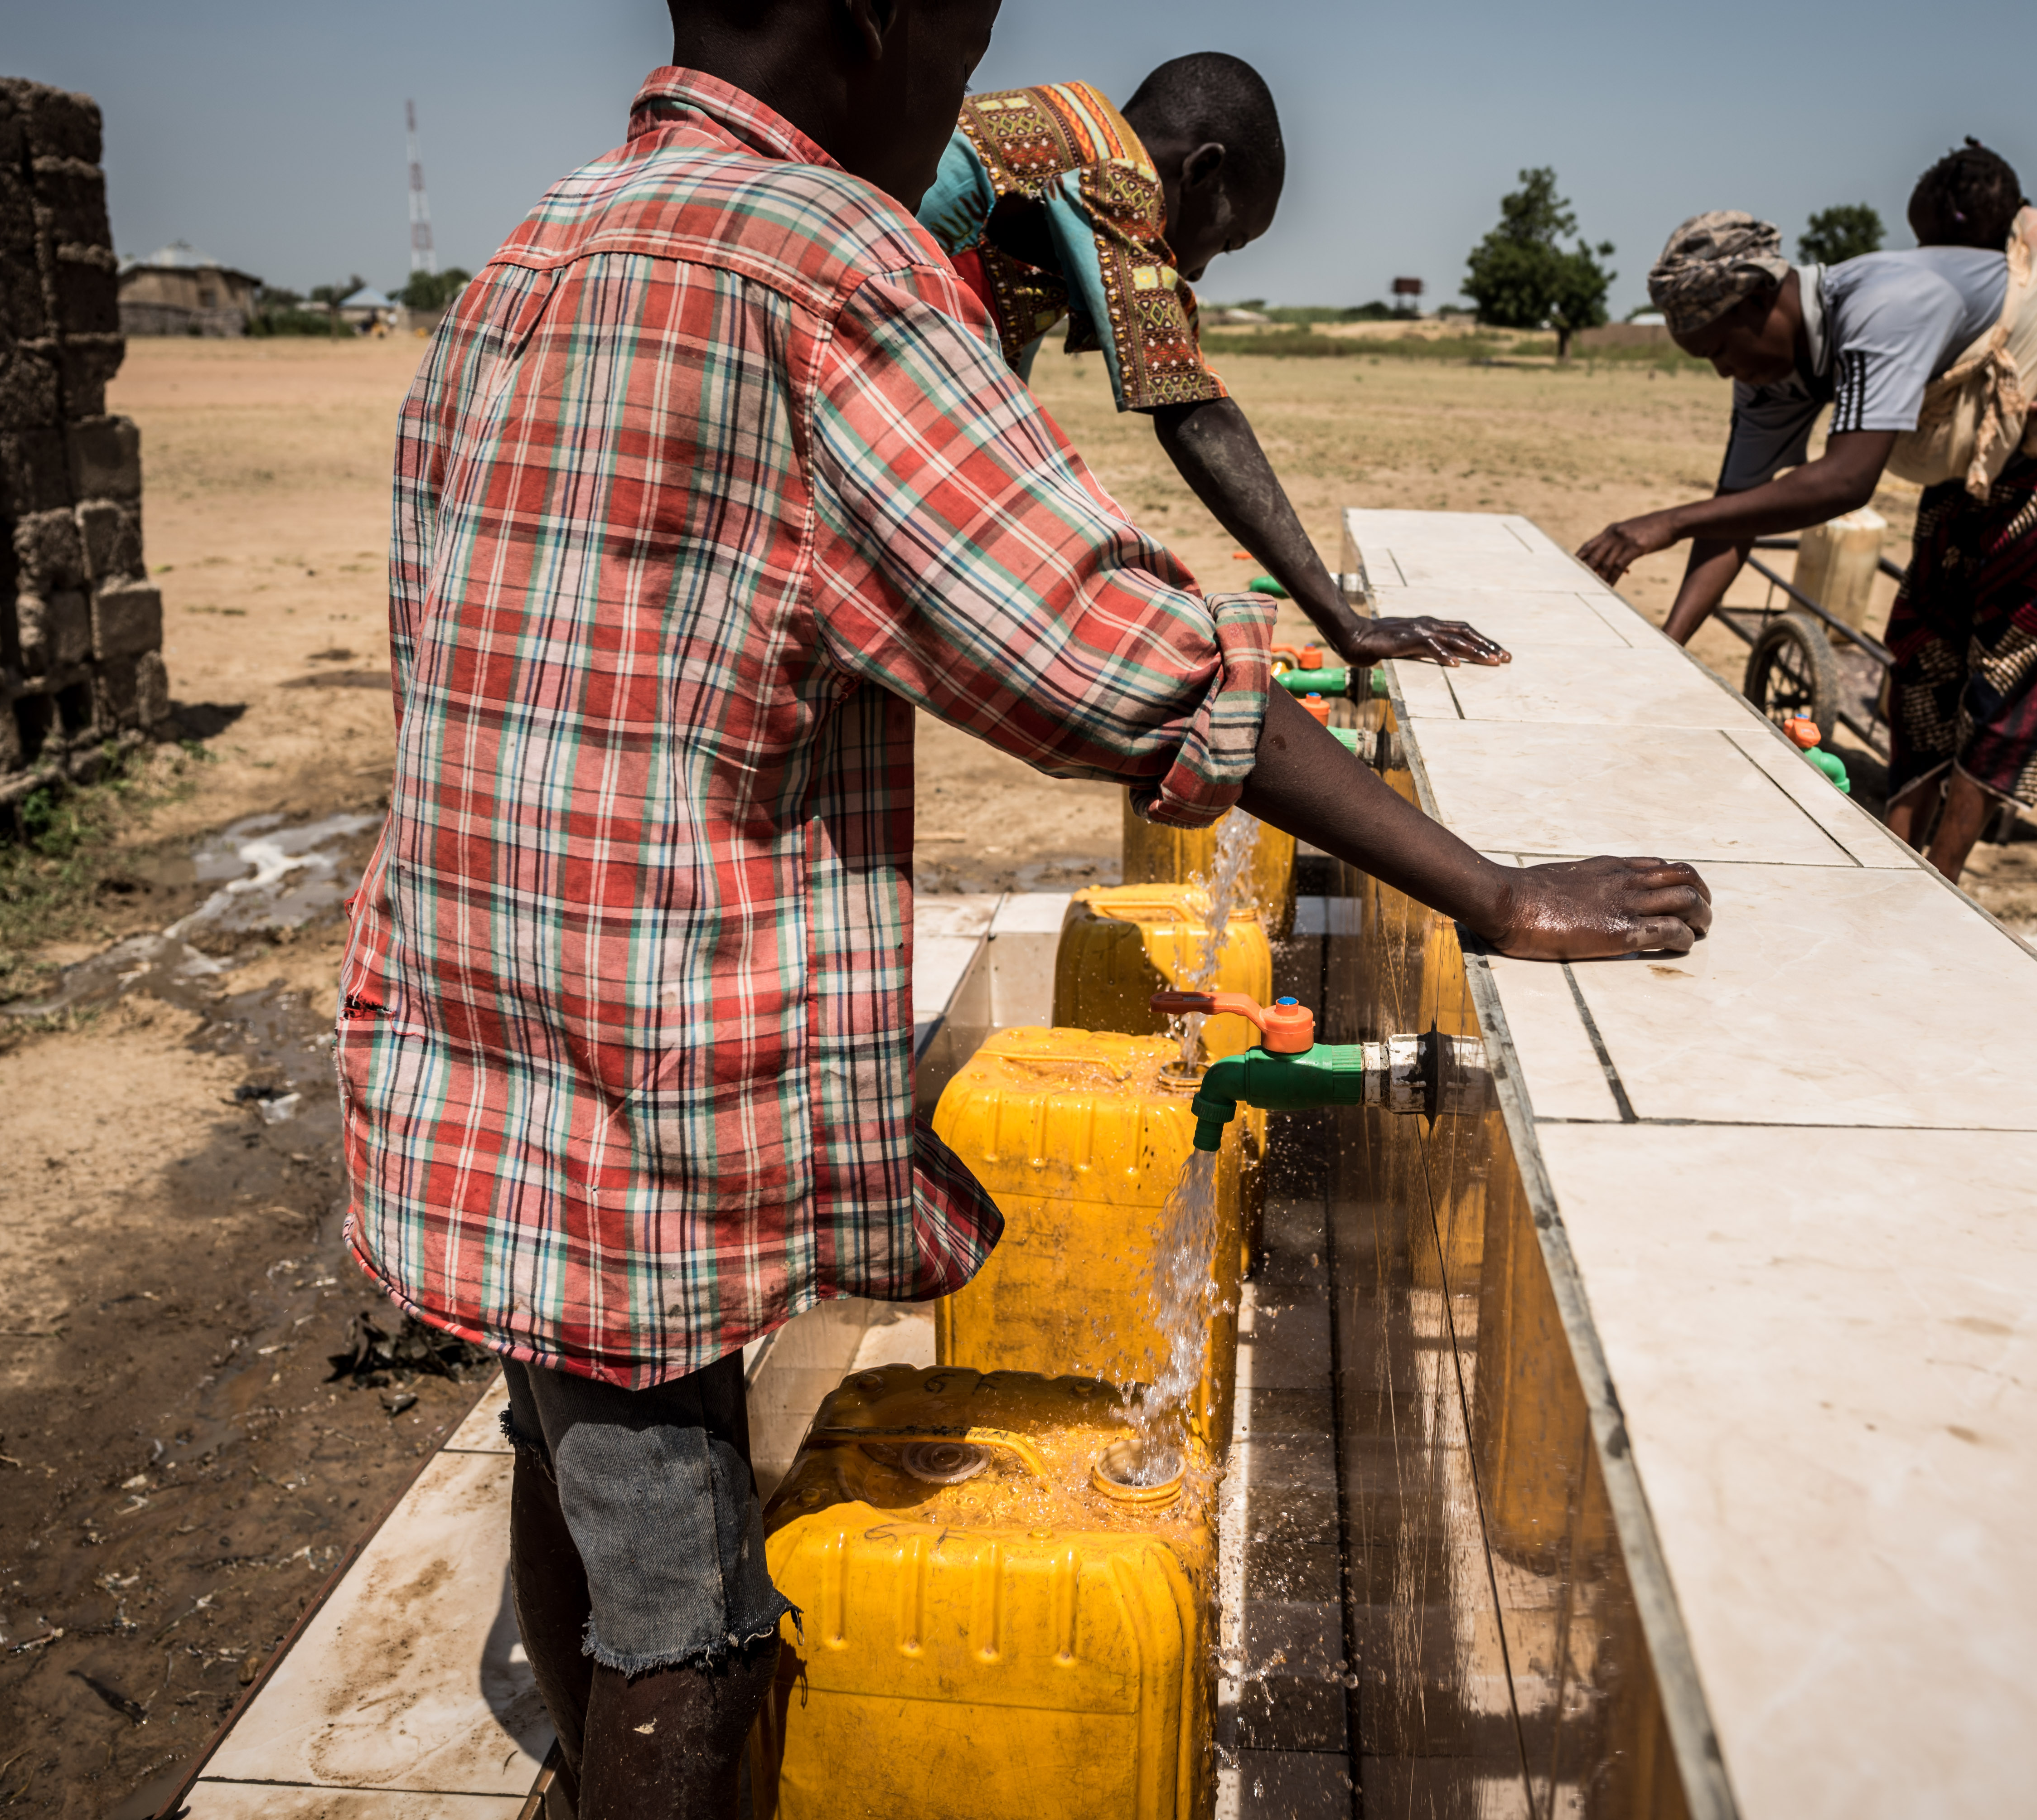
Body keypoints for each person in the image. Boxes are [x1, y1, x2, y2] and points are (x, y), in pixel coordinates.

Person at [338, 3, 1713, 1815]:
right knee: (695, 1628)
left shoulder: (543, 238)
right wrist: (1490, 888)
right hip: (637, 1078)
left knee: (569, 1447)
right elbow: (1120, 660)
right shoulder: (835, 267)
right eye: (964, 28)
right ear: (875, 20)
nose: (962, 90)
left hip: (471, 1030)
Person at [1578, 186, 2037, 882]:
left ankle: (1941, 880)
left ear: (1760, 298)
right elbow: (1737, 515)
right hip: (1983, 430)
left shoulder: (1882, 307)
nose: (1722, 370)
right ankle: (1896, 855)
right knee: (1925, 631)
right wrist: (1666, 648)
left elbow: (1847, 481)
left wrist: (1667, 521)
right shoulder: (1771, 374)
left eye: (1719, 348)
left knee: (2014, 641)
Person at [917, 56, 1507, 670]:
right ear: (1201, 170)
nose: (1198, 272)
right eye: (1229, 241)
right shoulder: (1113, 172)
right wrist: (1347, 624)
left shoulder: (1044, 166)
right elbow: (1191, 412)